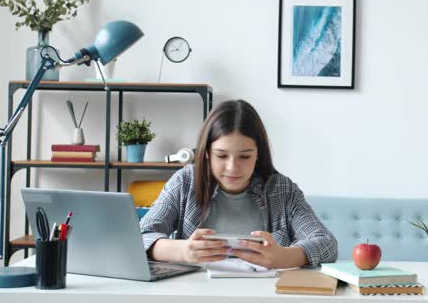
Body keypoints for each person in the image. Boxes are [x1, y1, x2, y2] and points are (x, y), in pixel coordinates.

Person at [140, 99, 337, 269]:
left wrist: (283, 257)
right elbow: (140, 236)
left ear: (258, 154)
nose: (233, 167)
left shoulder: (281, 189)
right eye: (222, 155)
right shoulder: (185, 181)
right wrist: (182, 251)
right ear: (207, 152)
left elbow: (326, 243)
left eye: (244, 156)